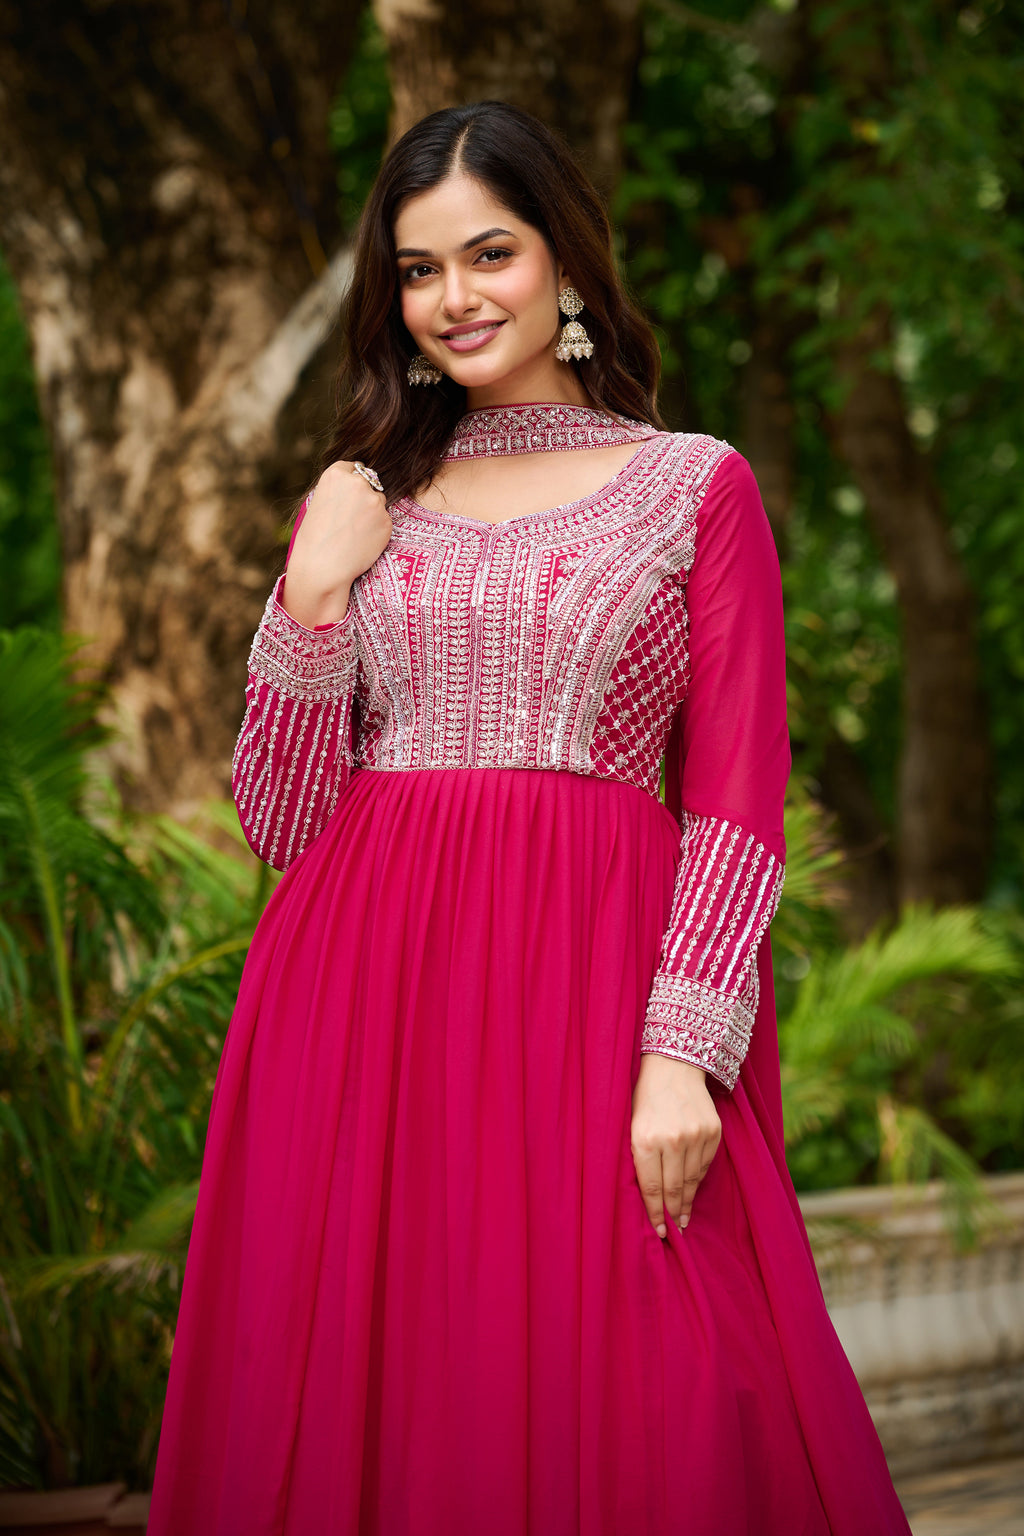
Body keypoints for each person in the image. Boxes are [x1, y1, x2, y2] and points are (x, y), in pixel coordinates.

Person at [147, 101, 911, 1535]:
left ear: (565, 260)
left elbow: (737, 801)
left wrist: (683, 1055)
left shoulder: (693, 486)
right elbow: (282, 817)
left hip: (600, 991)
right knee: (384, 1382)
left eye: (488, 253)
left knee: (675, 1378)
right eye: (420, 272)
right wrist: (312, 596)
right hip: (358, 1003)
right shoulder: (368, 498)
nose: (455, 299)